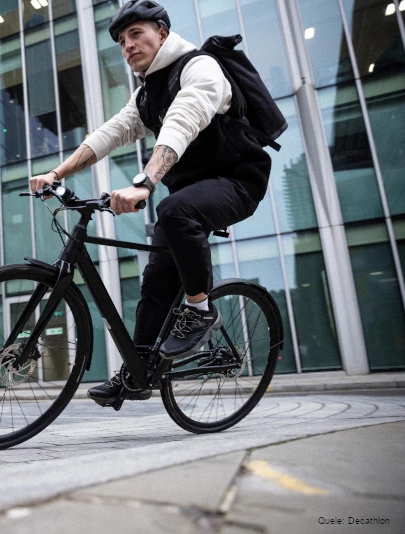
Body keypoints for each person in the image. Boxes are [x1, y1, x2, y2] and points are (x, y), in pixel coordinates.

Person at [28, 0, 272, 406]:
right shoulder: (147, 95)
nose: (127, 45)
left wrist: (145, 183)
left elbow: (184, 120)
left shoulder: (200, 67)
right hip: (190, 192)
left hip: (237, 181)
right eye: (122, 41)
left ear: (162, 33)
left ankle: (199, 309)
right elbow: (110, 133)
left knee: (174, 211)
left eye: (135, 34)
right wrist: (57, 173)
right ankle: (137, 372)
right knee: (156, 278)